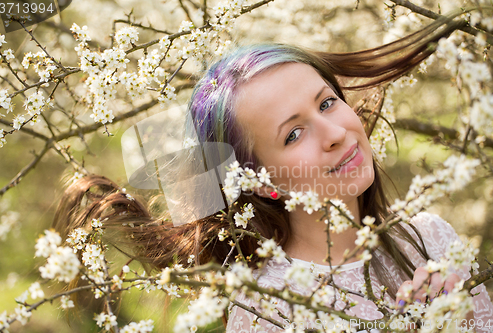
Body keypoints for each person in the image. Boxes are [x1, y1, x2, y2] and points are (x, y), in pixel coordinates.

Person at [53, 15, 493, 332]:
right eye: (294, 133)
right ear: (257, 181)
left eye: (326, 103)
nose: (336, 132)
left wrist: (463, 318)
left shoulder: (431, 240)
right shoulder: (265, 310)